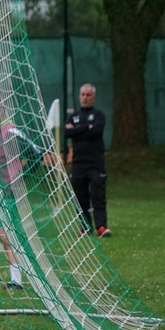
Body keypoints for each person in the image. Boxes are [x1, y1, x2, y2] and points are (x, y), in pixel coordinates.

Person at [0, 108, 53, 291]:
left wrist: (19, 178)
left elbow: (36, 155)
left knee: (6, 235)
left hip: (6, 195)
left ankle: (16, 280)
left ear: (1, 111)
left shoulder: (11, 133)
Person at [65, 83, 111, 237]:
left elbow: (96, 130)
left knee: (98, 196)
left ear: (94, 97)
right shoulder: (72, 116)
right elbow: (67, 133)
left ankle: (101, 227)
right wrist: (87, 127)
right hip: (78, 163)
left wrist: (77, 130)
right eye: (83, 94)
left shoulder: (99, 115)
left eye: (88, 95)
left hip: (95, 163)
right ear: (79, 96)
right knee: (80, 197)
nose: (85, 98)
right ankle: (85, 227)